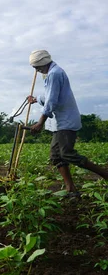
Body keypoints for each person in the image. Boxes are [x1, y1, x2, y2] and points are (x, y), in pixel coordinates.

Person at [27, 49, 108, 196]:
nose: (36, 70)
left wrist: (40, 122)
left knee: (67, 154)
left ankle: (105, 174)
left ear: (43, 63)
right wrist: (37, 99)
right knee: (56, 156)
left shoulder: (54, 74)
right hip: (60, 122)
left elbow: (51, 101)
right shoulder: (50, 74)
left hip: (66, 121)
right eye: (34, 67)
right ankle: (71, 189)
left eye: (36, 66)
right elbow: (50, 95)